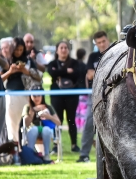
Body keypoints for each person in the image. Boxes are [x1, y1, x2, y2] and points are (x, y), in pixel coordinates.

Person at [77, 31, 110, 163]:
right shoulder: (93, 56)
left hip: (113, 92)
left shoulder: (115, 51)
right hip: (96, 94)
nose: (102, 44)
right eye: (99, 43)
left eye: (103, 41)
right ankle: (84, 154)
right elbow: (89, 75)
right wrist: (106, 71)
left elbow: (93, 73)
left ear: (107, 40)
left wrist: (97, 72)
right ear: (96, 44)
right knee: (89, 124)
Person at [0, 38, 42, 143]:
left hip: (26, 95)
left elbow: (38, 77)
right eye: (16, 49)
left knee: (26, 122)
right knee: (12, 124)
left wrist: (26, 71)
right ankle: (14, 147)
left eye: (21, 49)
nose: (18, 52)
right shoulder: (5, 62)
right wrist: (10, 72)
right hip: (11, 95)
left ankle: (27, 146)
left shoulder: (28, 61)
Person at [47, 41, 81, 152]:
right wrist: (66, 71)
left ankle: (74, 145)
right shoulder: (52, 63)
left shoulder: (75, 62)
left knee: (71, 119)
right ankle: (56, 145)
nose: (63, 50)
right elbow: (51, 73)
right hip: (57, 95)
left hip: (71, 95)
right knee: (57, 119)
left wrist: (59, 72)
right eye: (61, 48)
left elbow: (78, 73)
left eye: (66, 47)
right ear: (57, 50)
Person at [21, 86, 61, 162]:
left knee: (46, 129)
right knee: (35, 129)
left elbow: (58, 122)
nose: (36, 98)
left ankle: (46, 155)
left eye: (39, 95)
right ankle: (30, 155)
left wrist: (49, 116)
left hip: (47, 131)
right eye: (34, 96)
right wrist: (33, 111)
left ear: (42, 96)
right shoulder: (28, 107)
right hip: (32, 131)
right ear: (30, 96)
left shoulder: (48, 107)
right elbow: (26, 124)